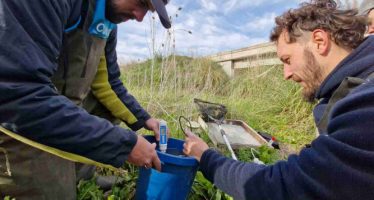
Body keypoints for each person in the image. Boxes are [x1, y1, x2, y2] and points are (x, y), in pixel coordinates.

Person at [183, 0, 374, 199]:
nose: (286, 74)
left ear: (319, 41)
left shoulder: (367, 102)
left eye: (287, 60)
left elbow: (291, 186)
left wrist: (206, 158)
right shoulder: (350, 90)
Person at [0, 0, 171, 199]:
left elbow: (110, 82)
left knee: (106, 108)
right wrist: (122, 145)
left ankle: (81, 175)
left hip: (55, 108)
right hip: (17, 112)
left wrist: (146, 119)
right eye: (141, 3)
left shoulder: (108, 23)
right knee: (57, 195)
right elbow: (16, 92)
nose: (140, 17)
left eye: (147, 10)